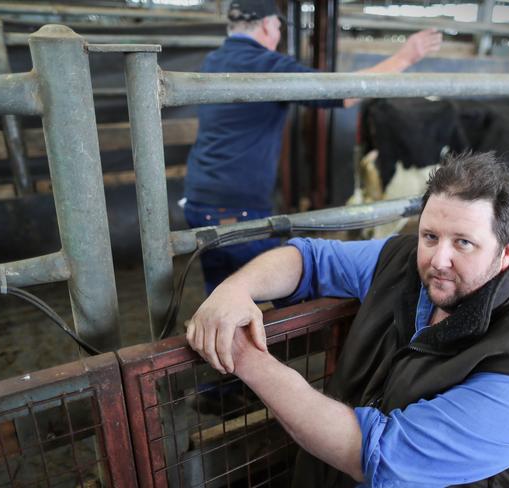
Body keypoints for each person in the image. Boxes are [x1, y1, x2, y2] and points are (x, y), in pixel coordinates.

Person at [186, 151, 509, 487]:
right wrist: (236, 289)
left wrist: (246, 355)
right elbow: (310, 258)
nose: (437, 260)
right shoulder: (403, 260)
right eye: (430, 236)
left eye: (463, 242)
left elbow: (375, 455)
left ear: (508, 250)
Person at [183, 0, 442, 295]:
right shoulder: (265, 65)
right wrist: (406, 57)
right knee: (255, 291)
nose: (278, 33)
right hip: (238, 206)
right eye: (279, 26)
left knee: (218, 292)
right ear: (269, 25)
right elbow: (342, 94)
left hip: (199, 198)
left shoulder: (214, 61)